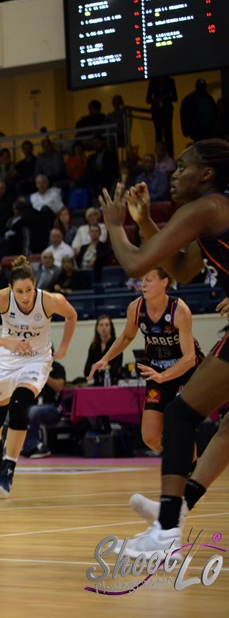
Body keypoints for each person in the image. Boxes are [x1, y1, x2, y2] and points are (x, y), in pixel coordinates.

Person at [97, 139, 229, 557]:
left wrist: (115, 225)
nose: (173, 175)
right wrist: (144, 221)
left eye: (183, 167)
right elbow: (183, 268)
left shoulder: (206, 208)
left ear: (207, 174)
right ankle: (178, 506)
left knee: (180, 413)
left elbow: (138, 264)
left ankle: (167, 530)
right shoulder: (213, 212)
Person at [0, 256, 77, 497]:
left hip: (36, 359)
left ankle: (9, 470)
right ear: (10, 289)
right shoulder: (2, 298)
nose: (25, 296)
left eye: (29, 290)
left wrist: (65, 347)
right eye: (19, 291)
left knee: (18, 405)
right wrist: (7, 343)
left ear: (35, 284)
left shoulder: (50, 301)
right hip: (6, 359)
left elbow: (71, 315)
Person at [90, 268, 204, 453]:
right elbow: (127, 337)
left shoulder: (179, 310)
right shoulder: (135, 308)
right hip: (157, 371)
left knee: (178, 424)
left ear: (164, 282)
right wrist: (105, 358)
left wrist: (163, 376)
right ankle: (183, 457)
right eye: (142, 280)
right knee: (150, 437)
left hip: (185, 373)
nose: (143, 284)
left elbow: (190, 358)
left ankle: (186, 463)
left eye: (149, 280)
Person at [82, 315, 123, 385]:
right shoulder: (93, 346)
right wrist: (105, 368)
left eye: (106, 325)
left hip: (113, 383)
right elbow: (87, 371)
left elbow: (114, 370)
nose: (104, 328)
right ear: (97, 328)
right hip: (97, 383)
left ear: (111, 327)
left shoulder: (116, 345)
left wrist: (96, 368)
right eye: (101, 325)